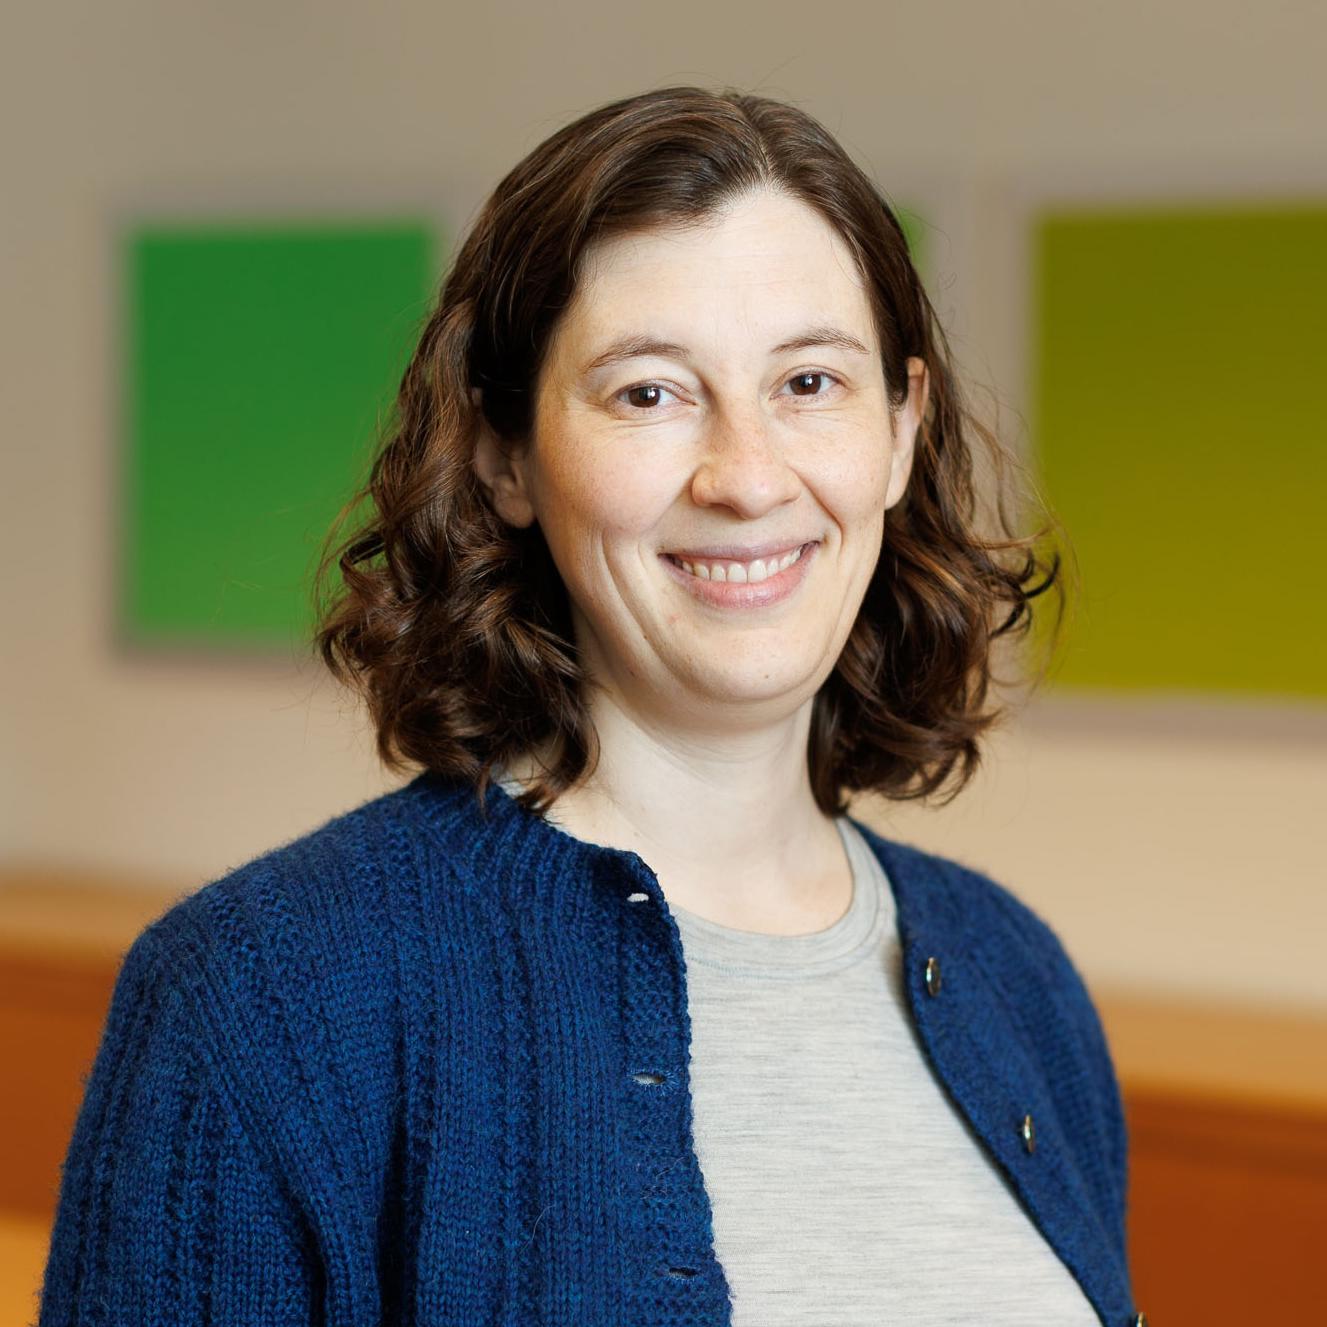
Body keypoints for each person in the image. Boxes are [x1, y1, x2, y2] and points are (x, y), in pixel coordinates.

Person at [37, 85, 1146, 1327]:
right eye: (649, 393)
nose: (745, 476)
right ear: (508, 456)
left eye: (810, 383)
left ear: (900, 428)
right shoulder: (265, 995)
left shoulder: (1016, 979)